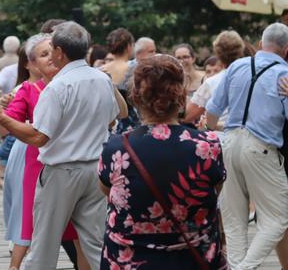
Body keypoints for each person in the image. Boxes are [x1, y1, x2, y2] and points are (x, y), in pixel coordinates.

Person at [0, 22, 120, 269]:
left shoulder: (57, 86)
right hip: (95, 169)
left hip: (62, 171)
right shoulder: (101, 79)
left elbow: (38, 136)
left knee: (44, 244)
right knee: (96, 244)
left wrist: (1, 118)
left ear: (59, 52)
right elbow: (112, 118)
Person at [99, 55, 227, 269]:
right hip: (191, 258)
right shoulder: (207, 145)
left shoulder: (116, 148)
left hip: (131, 260)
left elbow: (106, 190)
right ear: (180, 96)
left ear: (137, 97)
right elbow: (215, 189)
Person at [0, 34, 85, 270]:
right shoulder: (29, 89)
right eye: (43, 55)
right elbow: (5, 127)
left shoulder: (78, 82)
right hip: (38, 163)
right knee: (35, 226)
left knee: (79, 231)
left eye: (52, 52)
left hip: (76, 165)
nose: (50, 57)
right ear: (31, 64)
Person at [206, 22, 288, 269]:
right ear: (286, 49)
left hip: (229, 142)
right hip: (261, 148)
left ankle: (238, 265)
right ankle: (243, 268)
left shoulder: (237, 66)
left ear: (261, 43)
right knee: (277, 219)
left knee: (233, 220)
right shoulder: (284, 75)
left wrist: (221, 128)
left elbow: (211, 113)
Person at [183, 31, 245, 128]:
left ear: (217, 53)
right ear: (241, 50)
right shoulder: (253, 77)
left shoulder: (212, 82)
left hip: (219, 137)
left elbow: (187, 115)